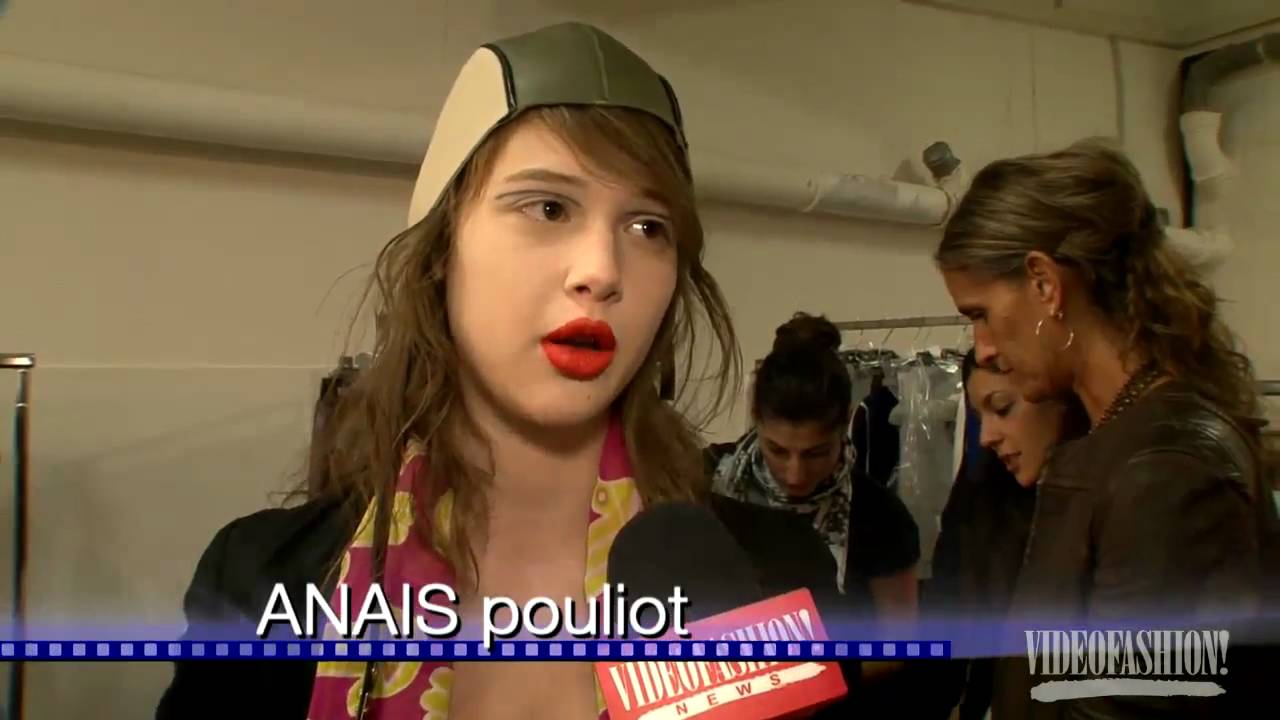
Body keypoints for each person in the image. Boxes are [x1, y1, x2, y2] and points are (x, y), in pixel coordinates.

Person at [156, 23, 847, 720]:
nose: (601, 271)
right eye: (548, 207)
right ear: (441, 250)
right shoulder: (261, 582)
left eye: (647, 227)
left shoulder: (775, 578)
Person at [935, 139, 1279, 718]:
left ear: (1044, 283)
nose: (984, 347)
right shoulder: (1115, 443)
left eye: (981, 315)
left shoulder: (1165, 466)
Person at [708, 312, 920, 620]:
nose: (795, 475)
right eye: (777, 450)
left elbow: (899, 640)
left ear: (845, 423)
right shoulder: (701, 481)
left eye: (816, 453)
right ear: (755, 417)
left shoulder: (882, 519)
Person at [928, 349, 1088, 720]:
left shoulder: (1114, 502)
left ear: (1060, 400)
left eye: (1002, 409)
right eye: (978, 417)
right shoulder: (981, 498)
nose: (986, 436)